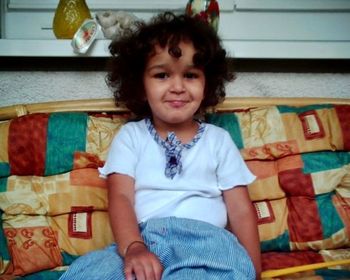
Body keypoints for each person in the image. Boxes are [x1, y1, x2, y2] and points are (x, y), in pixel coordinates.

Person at [60, 12, 261, 280]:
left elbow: (240, 209)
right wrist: (133, 247)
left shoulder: (218, 140)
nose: (177, 87)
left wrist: (254, 271)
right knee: (92, 273)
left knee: (223, 269)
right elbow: (120, 198)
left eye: (190, 75)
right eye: (162, 75)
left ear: (207, 83)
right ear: (141, 85)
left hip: (208, 244)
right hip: (143, 238)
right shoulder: (131, 136)